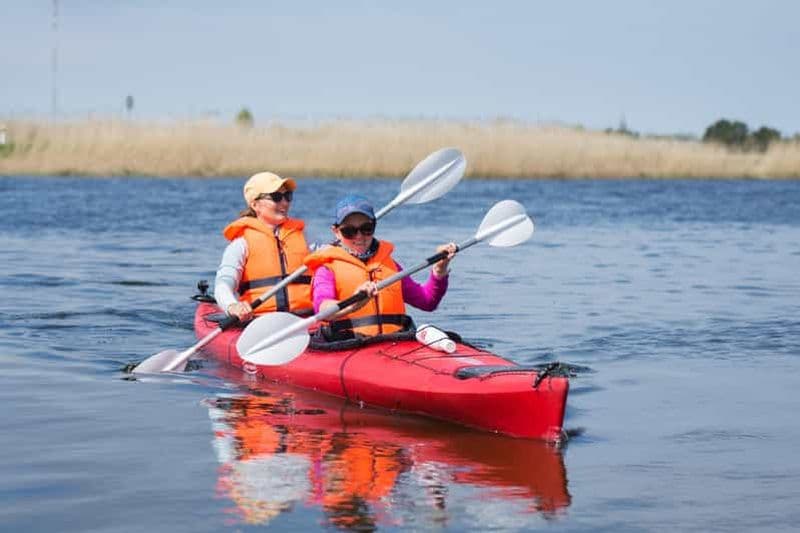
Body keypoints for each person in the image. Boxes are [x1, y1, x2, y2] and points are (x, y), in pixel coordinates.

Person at [304, 194, 456, 339]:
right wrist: (353, 303)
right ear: (336, 232)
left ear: (374, 226)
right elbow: (322, 309)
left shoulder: (390, 265)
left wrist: (439, 269)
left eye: (366, 228)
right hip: (347, 345)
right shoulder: (326, 269)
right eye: (349, 231)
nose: (359, 236)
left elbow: (427, 301)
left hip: (394, 344)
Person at [214, 171, 312, 321]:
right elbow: (224, 283)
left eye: (288, 196)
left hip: (306, 319)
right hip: (260, 322)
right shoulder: (241, 244)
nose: (284, 203)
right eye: (276, 197)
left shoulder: (304, 238)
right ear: (255, 204)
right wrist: (232, 306)